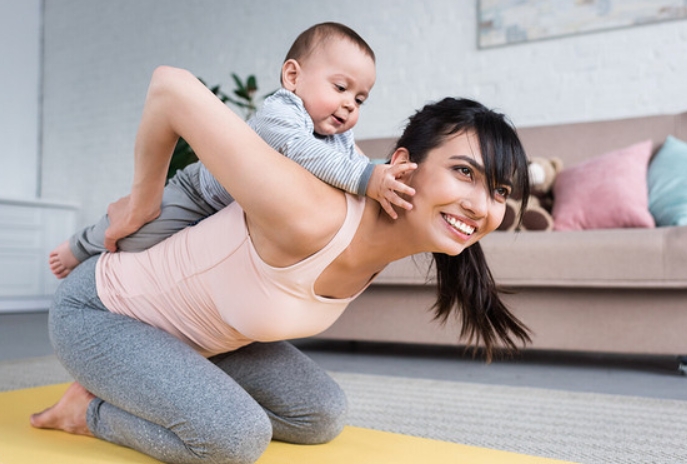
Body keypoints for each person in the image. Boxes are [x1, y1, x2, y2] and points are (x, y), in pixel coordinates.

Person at [31, 65, 532, 464]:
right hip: (101, 314)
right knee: (235, 440)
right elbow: (170, 88)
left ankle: (160, 381)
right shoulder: (310, 212)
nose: (480, 205)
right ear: (404, 163)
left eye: (498, 192)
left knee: (321, 416)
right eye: (464, 172)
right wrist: (144, 202)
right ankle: (87, 412)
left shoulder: (391, 239)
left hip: (197, 334)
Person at [48, 22, 415, 279]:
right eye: (340, 87)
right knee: (138, 233)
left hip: (237, 220)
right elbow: (304, 153)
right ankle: (81, 246)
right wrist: (368, 177)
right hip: (201, 195)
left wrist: (386, 172)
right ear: (292, 77)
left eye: (360, 98)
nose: (350, 104)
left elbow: (354, 164)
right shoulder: (281, 113)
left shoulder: (338, 137)